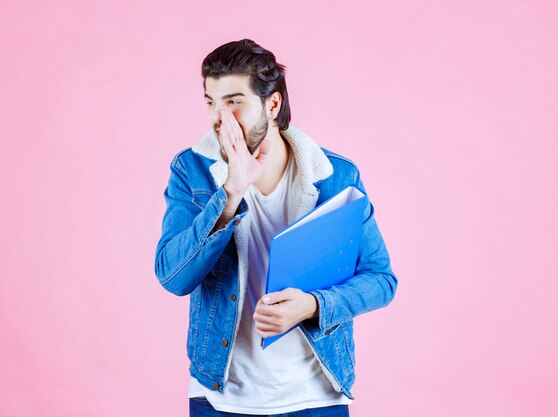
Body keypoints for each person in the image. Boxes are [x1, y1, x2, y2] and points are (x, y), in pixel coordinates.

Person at [154, 38, 398, 417]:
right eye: (210, 102)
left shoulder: (336, 176)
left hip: (315, 397)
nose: (219, 117)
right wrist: (230, 193)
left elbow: (381, 280)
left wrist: (313, 305)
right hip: (220, 399)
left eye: (234, 101)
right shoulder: (192, 170)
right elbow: (173, 277)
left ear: (272, 104)